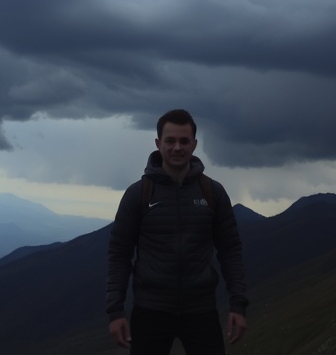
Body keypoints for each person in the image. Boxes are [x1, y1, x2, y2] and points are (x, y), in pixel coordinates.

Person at [106, 108, 248, 354]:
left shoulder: (212, 192)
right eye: (170, 140)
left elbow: (230, 250)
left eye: (184, 141)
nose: (177, 147)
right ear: (158, 143)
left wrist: (238, 304)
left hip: (201, 310)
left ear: (194, 144)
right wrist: (115, 311)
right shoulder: (137, 194)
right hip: (150, 310)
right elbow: (119, 254)